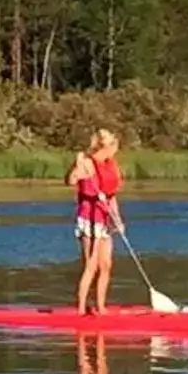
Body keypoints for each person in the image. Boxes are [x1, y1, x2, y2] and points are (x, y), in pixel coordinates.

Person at [67, 129, 125, 313]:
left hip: (105, 218)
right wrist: (76, 167)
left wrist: (118, 220)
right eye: (113, 144)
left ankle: (101, 307)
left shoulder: (110, 164)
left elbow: (111, 196)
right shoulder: (88, 163)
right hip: (89, 217)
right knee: (91, 265)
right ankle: (81, 309)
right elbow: (70, 180)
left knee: (106, 264)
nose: (116, 147)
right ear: (104, 146)